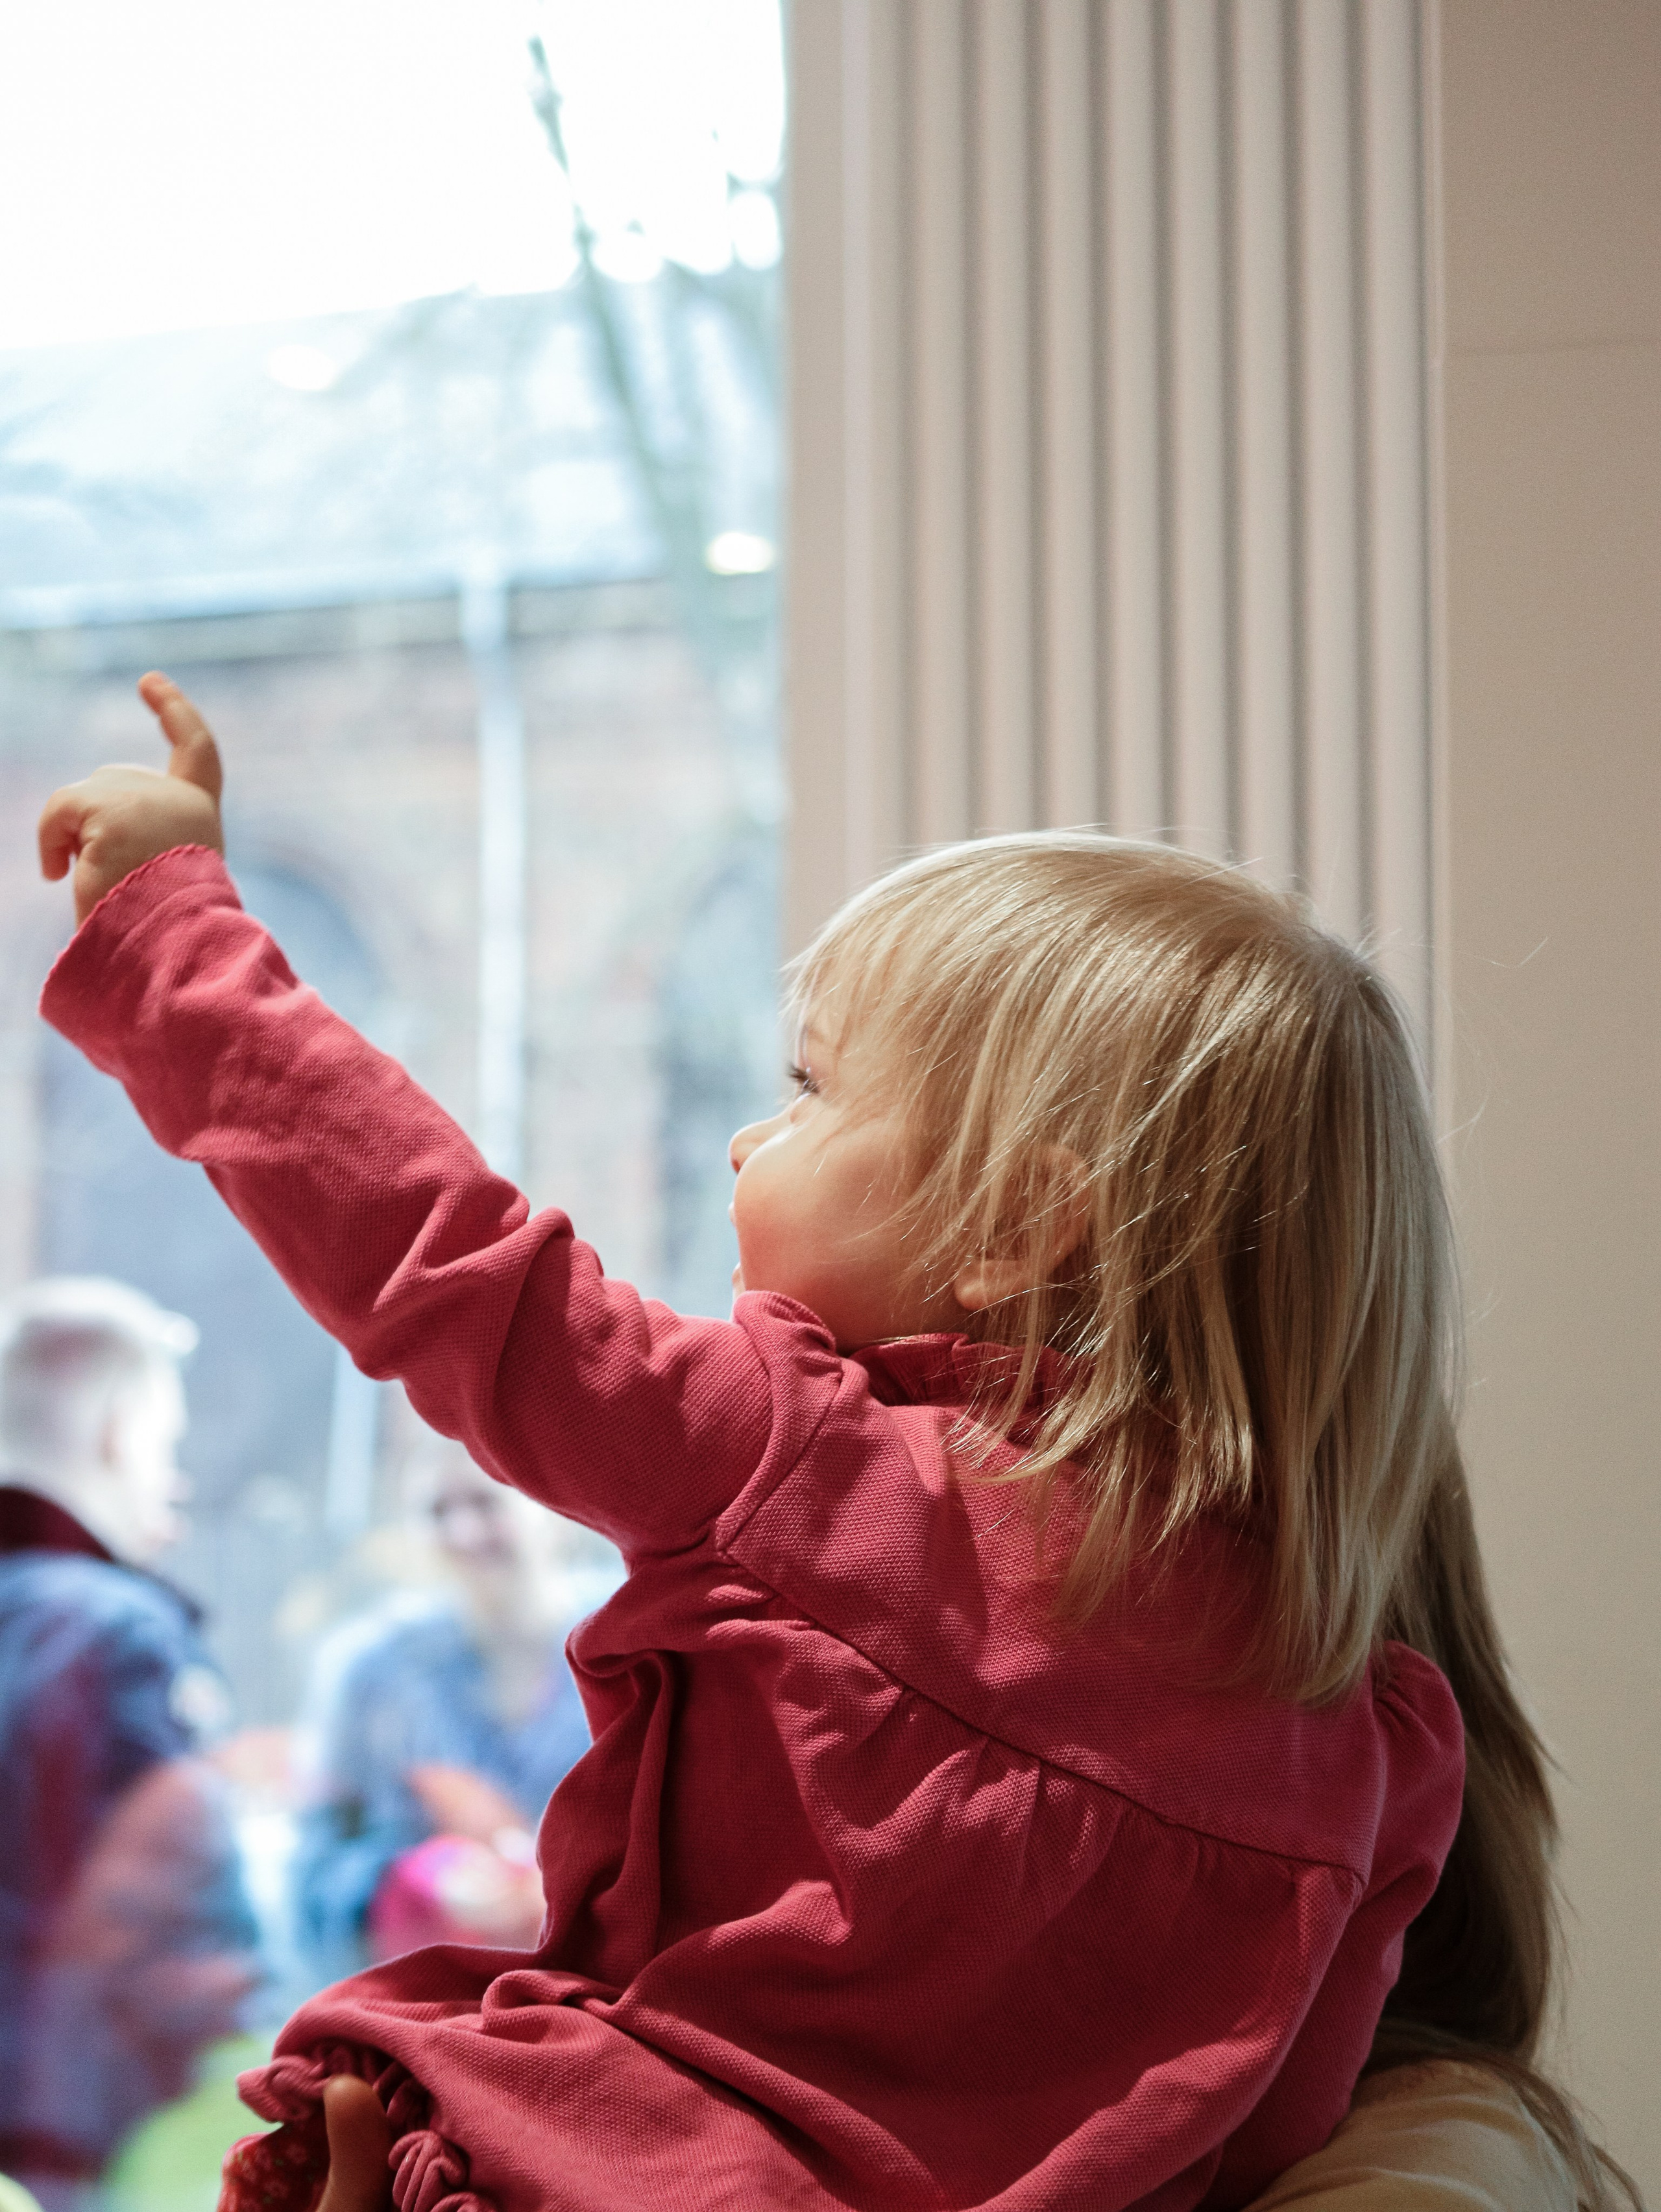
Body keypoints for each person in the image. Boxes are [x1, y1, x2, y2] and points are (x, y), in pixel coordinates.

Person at [33, 678, 1636, 2212]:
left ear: (1019, 1224)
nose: (747, 1138)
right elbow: (1260, 2134)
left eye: (806, 1092)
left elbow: (430, 1251)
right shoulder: (1373, 1731)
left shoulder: (797, 1463)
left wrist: (177, 926)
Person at [0, 1275, 261, 2209]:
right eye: (165, 1443)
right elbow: (189, 1917)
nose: (174, 1477)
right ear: (117, 1428)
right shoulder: (122, 1635)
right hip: (66, 2141)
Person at [293, 1441, 622, 1975]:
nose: (462, 1533)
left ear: (554, 1508)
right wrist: (416, 1884)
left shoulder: (635, 1646)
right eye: (437, 1512)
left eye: (485, 1504)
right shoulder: (369, 1670)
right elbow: (311, 1875)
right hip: (436, 2005)